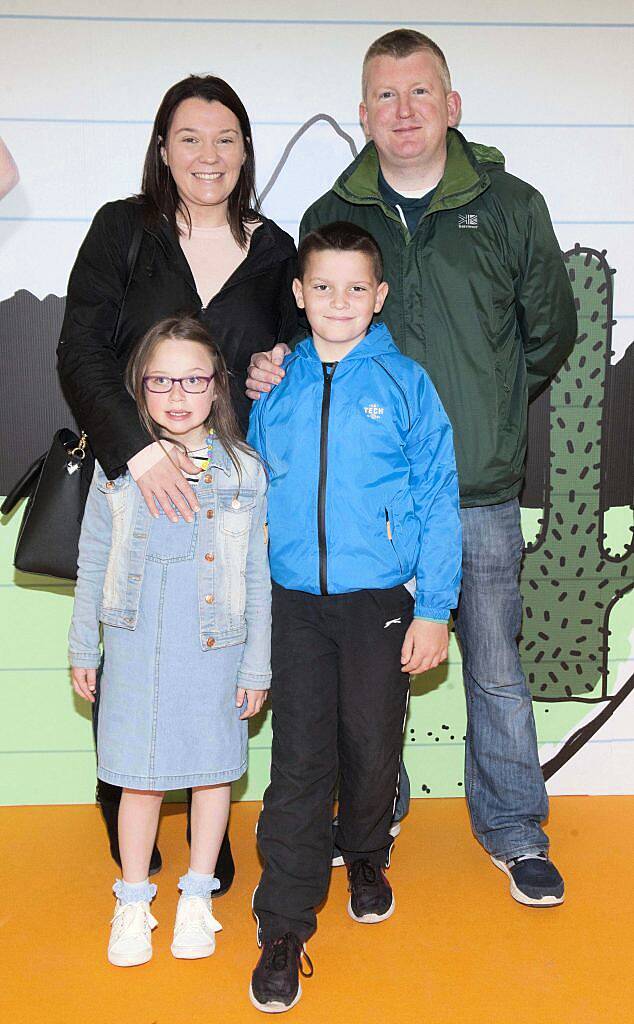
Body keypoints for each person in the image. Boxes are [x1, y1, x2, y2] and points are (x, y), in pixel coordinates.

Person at [247, 29, 577, 909]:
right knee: (365, 679)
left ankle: (513, 829)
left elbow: (550, 333)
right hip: (370, 520)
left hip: (478, 491)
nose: (403, 112)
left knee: (496, 669)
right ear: (363, 112)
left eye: (420, 93)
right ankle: (369, 820)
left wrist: (493, 408)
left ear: (451, 105)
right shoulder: (327, 213)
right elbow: (302, 343)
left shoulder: (511, 206)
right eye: (385, 97)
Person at [58, 74, 298, 888]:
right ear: (163, 148)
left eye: (225, 138)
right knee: (129, 638)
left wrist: (278, 364)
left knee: (213, 647)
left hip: (224, 498)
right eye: (190, 137)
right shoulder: (122, 228)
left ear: (245, 152)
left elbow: (298, 348)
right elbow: (79, 352)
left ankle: (206, 819)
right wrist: (136, 451)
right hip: (133, 480)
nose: (208, 154)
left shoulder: (274, 248)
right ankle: (125, 806)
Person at [247, 222, 461, 1012]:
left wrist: (432, 607)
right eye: (322, 288)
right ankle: (282, 926)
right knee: (299, 760)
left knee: (370, 744)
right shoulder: (276, 391)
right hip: (295, 601)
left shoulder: (406, 383)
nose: (339, 302)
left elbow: (440, 498)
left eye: (355, 288)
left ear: (380, 296)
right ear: (300, 297)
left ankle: (366, 853)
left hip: (381, 600)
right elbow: (252, 494)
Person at [68, 316, 271, 966]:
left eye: (192, 379)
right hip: (134, 650)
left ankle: (196, 897)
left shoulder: (244, 472)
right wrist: (82, 647)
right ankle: (132, 903)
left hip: (216, 651)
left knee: (213, 777)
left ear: (216, 387)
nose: (177, 394)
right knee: (139, 780)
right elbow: (93, 557)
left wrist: (258, 665)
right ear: (139, 387)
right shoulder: (119, 467)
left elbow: (258, 576)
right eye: (161, 381)